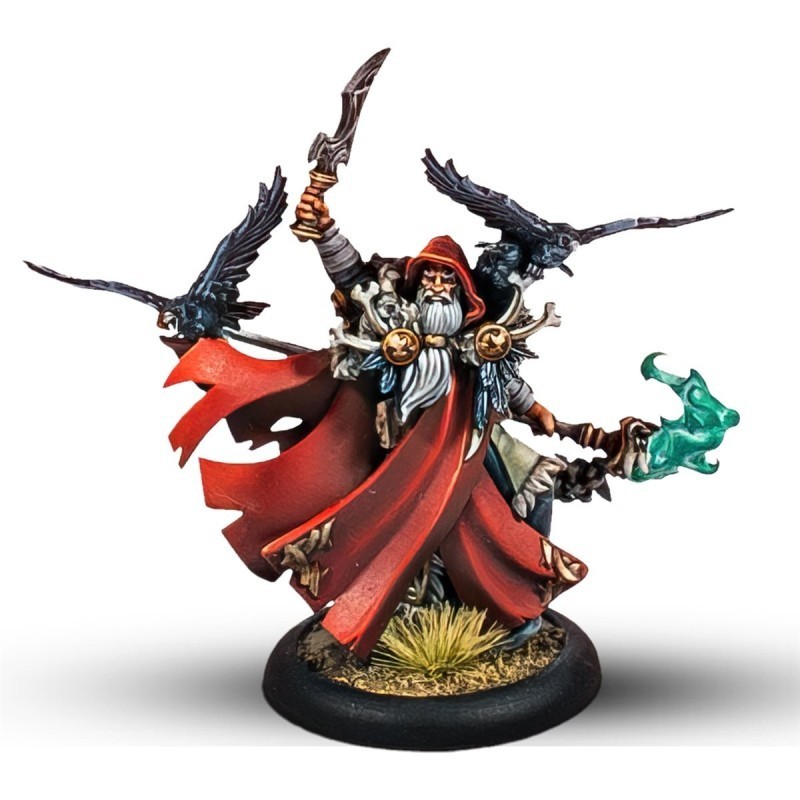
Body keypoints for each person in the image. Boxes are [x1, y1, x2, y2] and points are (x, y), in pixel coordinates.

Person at [165, 187, 645, 659]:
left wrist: (547, 417)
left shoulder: (473, 341)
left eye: (446, 278)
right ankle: (427, 615)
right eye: (429, 276)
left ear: (462, 291)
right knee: (417, 543)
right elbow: (354, 278)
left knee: (523, 504)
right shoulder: (396, 333)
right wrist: (325, 230)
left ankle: (514, 612)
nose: (436, 284)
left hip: (473, 448)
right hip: (404, 460)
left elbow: (508, 386)